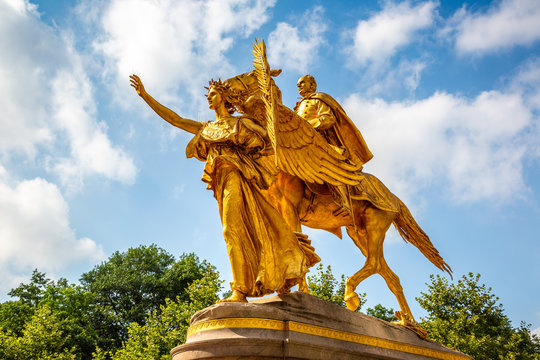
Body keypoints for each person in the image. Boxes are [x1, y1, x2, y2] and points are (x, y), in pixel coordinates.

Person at [129, 75, 318, 302]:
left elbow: (270, 141)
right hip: (223, 182)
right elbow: (176, 120)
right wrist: (145, 96)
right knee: (240, 231)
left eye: (213, 94)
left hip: (238, 177)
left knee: (231, 230)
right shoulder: (207, 128)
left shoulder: (240, 123)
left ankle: (240, 290)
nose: (209, 98)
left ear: (225, 97)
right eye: (208, 96)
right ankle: (263, 279)